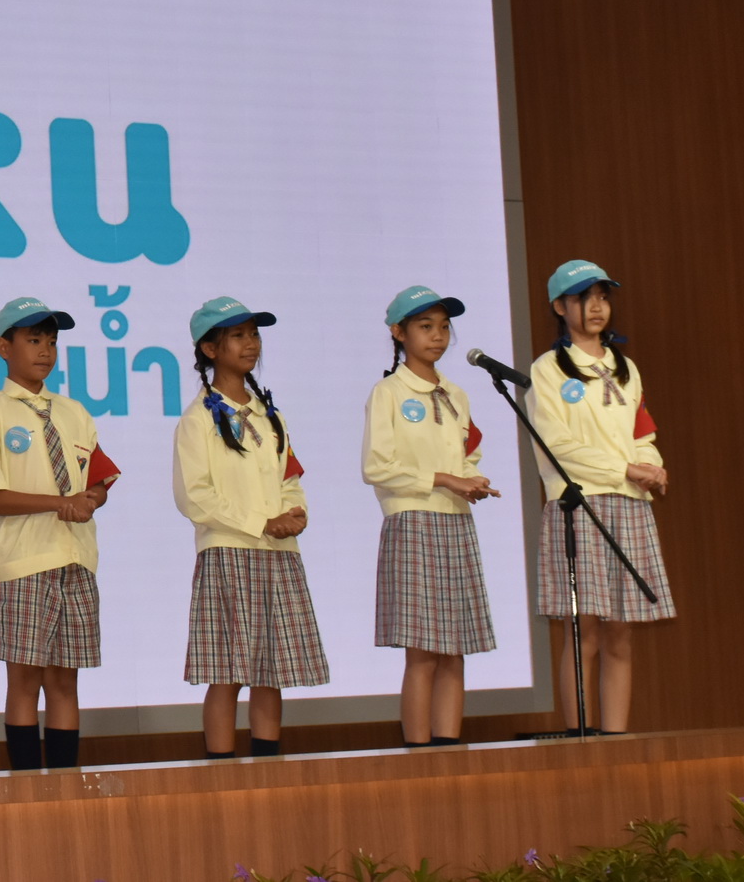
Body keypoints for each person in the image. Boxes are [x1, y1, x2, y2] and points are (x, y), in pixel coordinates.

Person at [0, 297, 121, 771]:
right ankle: (27, 785)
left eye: (51, 342)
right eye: (33, 340)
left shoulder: (74, 412)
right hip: (22, 564)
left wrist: (92, 498)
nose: (45, 351)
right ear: (3, 348)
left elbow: (99, 477)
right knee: (24, 680)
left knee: (65, 681)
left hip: (75, 559)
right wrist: (58, 504)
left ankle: (65, 784)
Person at [173, 296, 329, 758]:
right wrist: (262, 522)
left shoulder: (270, 414)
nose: (251, 344)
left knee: (271, 671)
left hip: (279, 553)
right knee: (227, 672)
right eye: (238, 336)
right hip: (229, 551)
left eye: (254, 334)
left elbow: (290, 477)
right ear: (209, 349)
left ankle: (267, 768)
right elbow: (194, 496)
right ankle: (222, 771)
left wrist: (295, 514)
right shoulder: (198, 418)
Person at [528, 259, 675, 732]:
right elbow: (558, 444)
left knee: (620, 631)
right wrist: (624, 468)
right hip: (580, 504)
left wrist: (651, 465)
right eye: (583, 298)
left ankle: (615, 738)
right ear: (559, 307)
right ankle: (581, 739)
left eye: (603, 296)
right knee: (583, 631)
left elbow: (641, 431)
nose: (596, 306)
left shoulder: (625, 367)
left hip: (628, 503)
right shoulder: (548, 369)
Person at [362, 285, 500, 747]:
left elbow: (469, 452)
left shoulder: (456, 393)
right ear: (398, 332)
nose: (438, 336)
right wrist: (443, 478)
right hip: (413, 522)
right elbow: (377, 467)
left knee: (454, 650)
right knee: (422, 652)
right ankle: (419, 752)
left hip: (455, 522)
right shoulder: (388, 392)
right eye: (425, 326)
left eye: (443, 327)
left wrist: (471, 479)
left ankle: (448, 748)